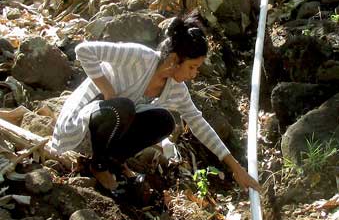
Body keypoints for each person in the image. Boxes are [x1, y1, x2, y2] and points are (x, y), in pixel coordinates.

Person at [49, 12, 261, 194]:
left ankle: (111, 160)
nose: (194, 74)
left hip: (109, 131)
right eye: (192, 67)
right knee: (123, 107)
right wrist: (108, 91)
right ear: (175, 59)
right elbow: (84, 51)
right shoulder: (140, 57)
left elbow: (198, 123)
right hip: (81, 127)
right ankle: (99, 166)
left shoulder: (176, 89)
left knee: (164, 121)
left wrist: (236, 168)